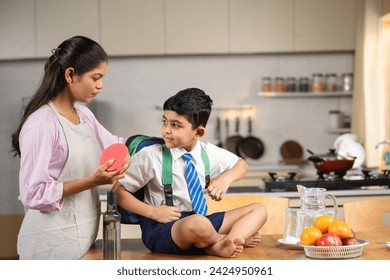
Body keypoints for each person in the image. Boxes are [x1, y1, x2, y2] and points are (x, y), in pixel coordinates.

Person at [113, 88, 267, 258]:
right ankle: (222, 241)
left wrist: (226, 179)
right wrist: (153, 212)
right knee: (199, 223)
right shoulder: (151, 155)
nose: (166, 130)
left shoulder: (207, 153)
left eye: (176, 125)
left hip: (199, 222)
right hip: (162, 227)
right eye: (165, 122)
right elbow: (118, 191)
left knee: (258, 210)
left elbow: (241, 164)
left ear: (198, 133)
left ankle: (228, 241)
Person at [11, 36, 127, 260]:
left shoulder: (84, 115)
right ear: (70, 75)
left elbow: (116, 144)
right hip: (49, 246)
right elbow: (32, 194)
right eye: (96, 77)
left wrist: (151, 144)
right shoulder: (42, 124)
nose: (100, 85)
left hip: (81, 240)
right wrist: (91, 182)